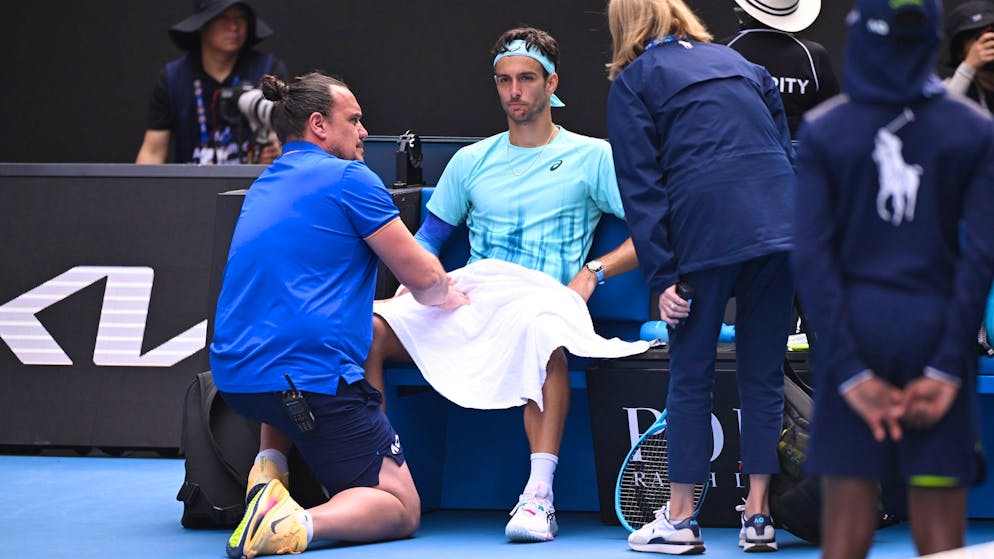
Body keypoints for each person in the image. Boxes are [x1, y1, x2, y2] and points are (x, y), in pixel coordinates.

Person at [365, 26, 641, 543]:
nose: (515, 91)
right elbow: (428, 238)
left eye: (527, 79)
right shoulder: (470, 162)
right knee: (368, 328)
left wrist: (594, 271)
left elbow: (651, 233)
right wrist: (415, 280)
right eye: (504, 80)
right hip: (475, 294)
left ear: (551, 83)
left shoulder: (593, 156)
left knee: (543, 334)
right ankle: (379, 474)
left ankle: (539, 496)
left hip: (545, 297)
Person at [209, 71, 469, 559]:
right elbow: (426, 282)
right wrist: (453, 296)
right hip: (307, 385)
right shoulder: (351, 178)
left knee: (290, 359)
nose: (365, 131)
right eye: (354, 120)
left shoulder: (269, 180)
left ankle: (268, 472)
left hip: (237, 380)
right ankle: (292, 522)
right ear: (318, 125)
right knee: (399, 505)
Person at [792, 0, 994, 557]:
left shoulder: (824, 130)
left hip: (854, 337)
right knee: (940, 537)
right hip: (938, 337)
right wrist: (946, 367)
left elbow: (810, 258)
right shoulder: (973, 128)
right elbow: (981, 257)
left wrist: (852, 373)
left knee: (850, 524)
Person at [605, 0, 796, 554]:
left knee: (691, 377)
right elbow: (783, 153)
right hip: (782, 225)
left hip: (706, 234)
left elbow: (642, 188)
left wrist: (663, 277)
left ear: (625, 26)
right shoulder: (745, 67)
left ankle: (680, 519)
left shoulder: (634, 81)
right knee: (764, 375)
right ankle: (759, 518)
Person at [136, 0, 288, 165]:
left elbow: (289, 141)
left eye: (240, 17)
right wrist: (137, 190)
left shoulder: (267, 71)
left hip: (255, 187)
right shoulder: (173, 78)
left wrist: (276, 152)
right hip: (190, 187)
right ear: (203, 24)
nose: (234, 27)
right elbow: (153, 152)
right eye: (223, 17)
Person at [722, 0, 839, 138]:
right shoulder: (813, 55)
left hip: (740, 150)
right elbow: (831, 119)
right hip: (798, 155)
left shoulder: (725, 50)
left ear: (747, 9)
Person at [943, 0, 994, 112]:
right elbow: (940, 114)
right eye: (976, 36)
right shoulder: (955, 88)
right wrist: (968, 67)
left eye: (991, 31)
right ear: (961, 51)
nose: (987, 41)